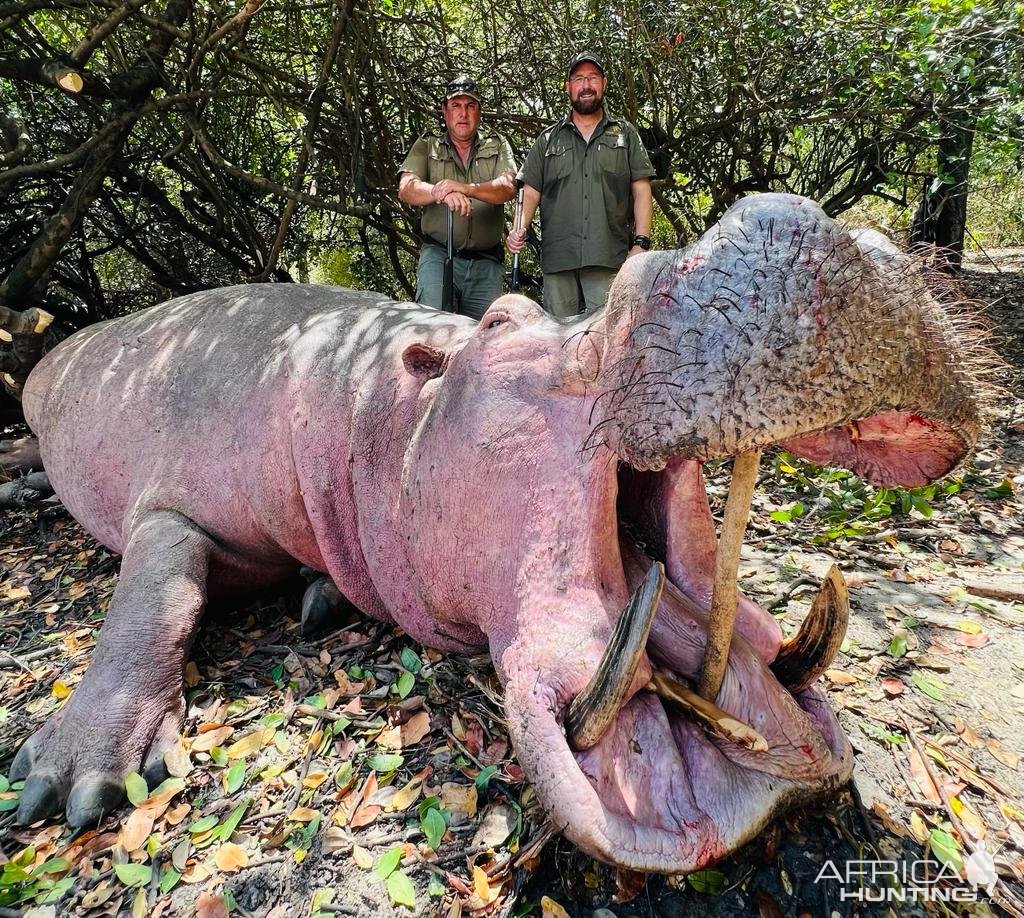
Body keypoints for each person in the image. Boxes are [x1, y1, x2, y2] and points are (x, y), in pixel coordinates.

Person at [506, 52, 655, 318]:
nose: (586, 85)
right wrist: (519, 229)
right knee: (558, 341)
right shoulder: (549, 139)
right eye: (578, 79)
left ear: (604, 83)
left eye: (592, 78)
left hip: (608, 259)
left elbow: (641, 189)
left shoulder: (625, 134)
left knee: (608, 339)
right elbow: (529, 191)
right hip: (558, 262)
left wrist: (641, 244)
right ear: (568, 87)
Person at [398, 76, 517, 320]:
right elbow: (406, 188)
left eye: (470, 106)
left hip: (486, 263)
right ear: (445, 110)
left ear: (479, 111)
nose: (463, 113)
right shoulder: (427, 145)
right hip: (440, 257)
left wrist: (466, 189)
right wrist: (440, 191)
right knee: (431, 331)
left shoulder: (497, 144)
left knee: (486, 344)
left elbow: (507, 187)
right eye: (456, 106)